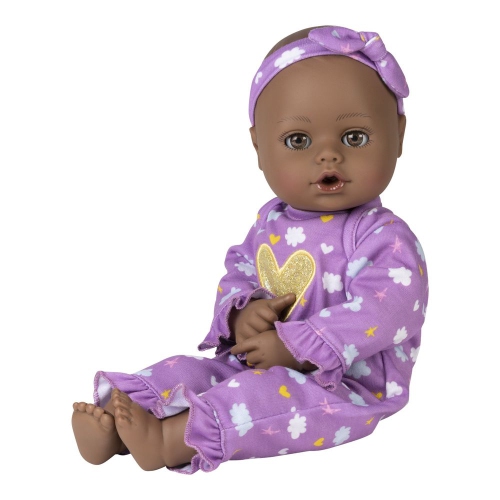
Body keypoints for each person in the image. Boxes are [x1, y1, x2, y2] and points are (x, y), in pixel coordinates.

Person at [72, 25, 428, 474]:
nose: (328, 155)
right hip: (258, 360)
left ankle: (167, 440)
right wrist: (242, 315)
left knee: (259, 402)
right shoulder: (269, 221)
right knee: (190, 372)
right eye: (298, 140)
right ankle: (119, 423)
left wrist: (299, 348)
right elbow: (240, 269)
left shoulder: (383, 236)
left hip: (343, 388)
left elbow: (387, 311)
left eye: (354, 137)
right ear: (259, 146)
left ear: (398, 135)